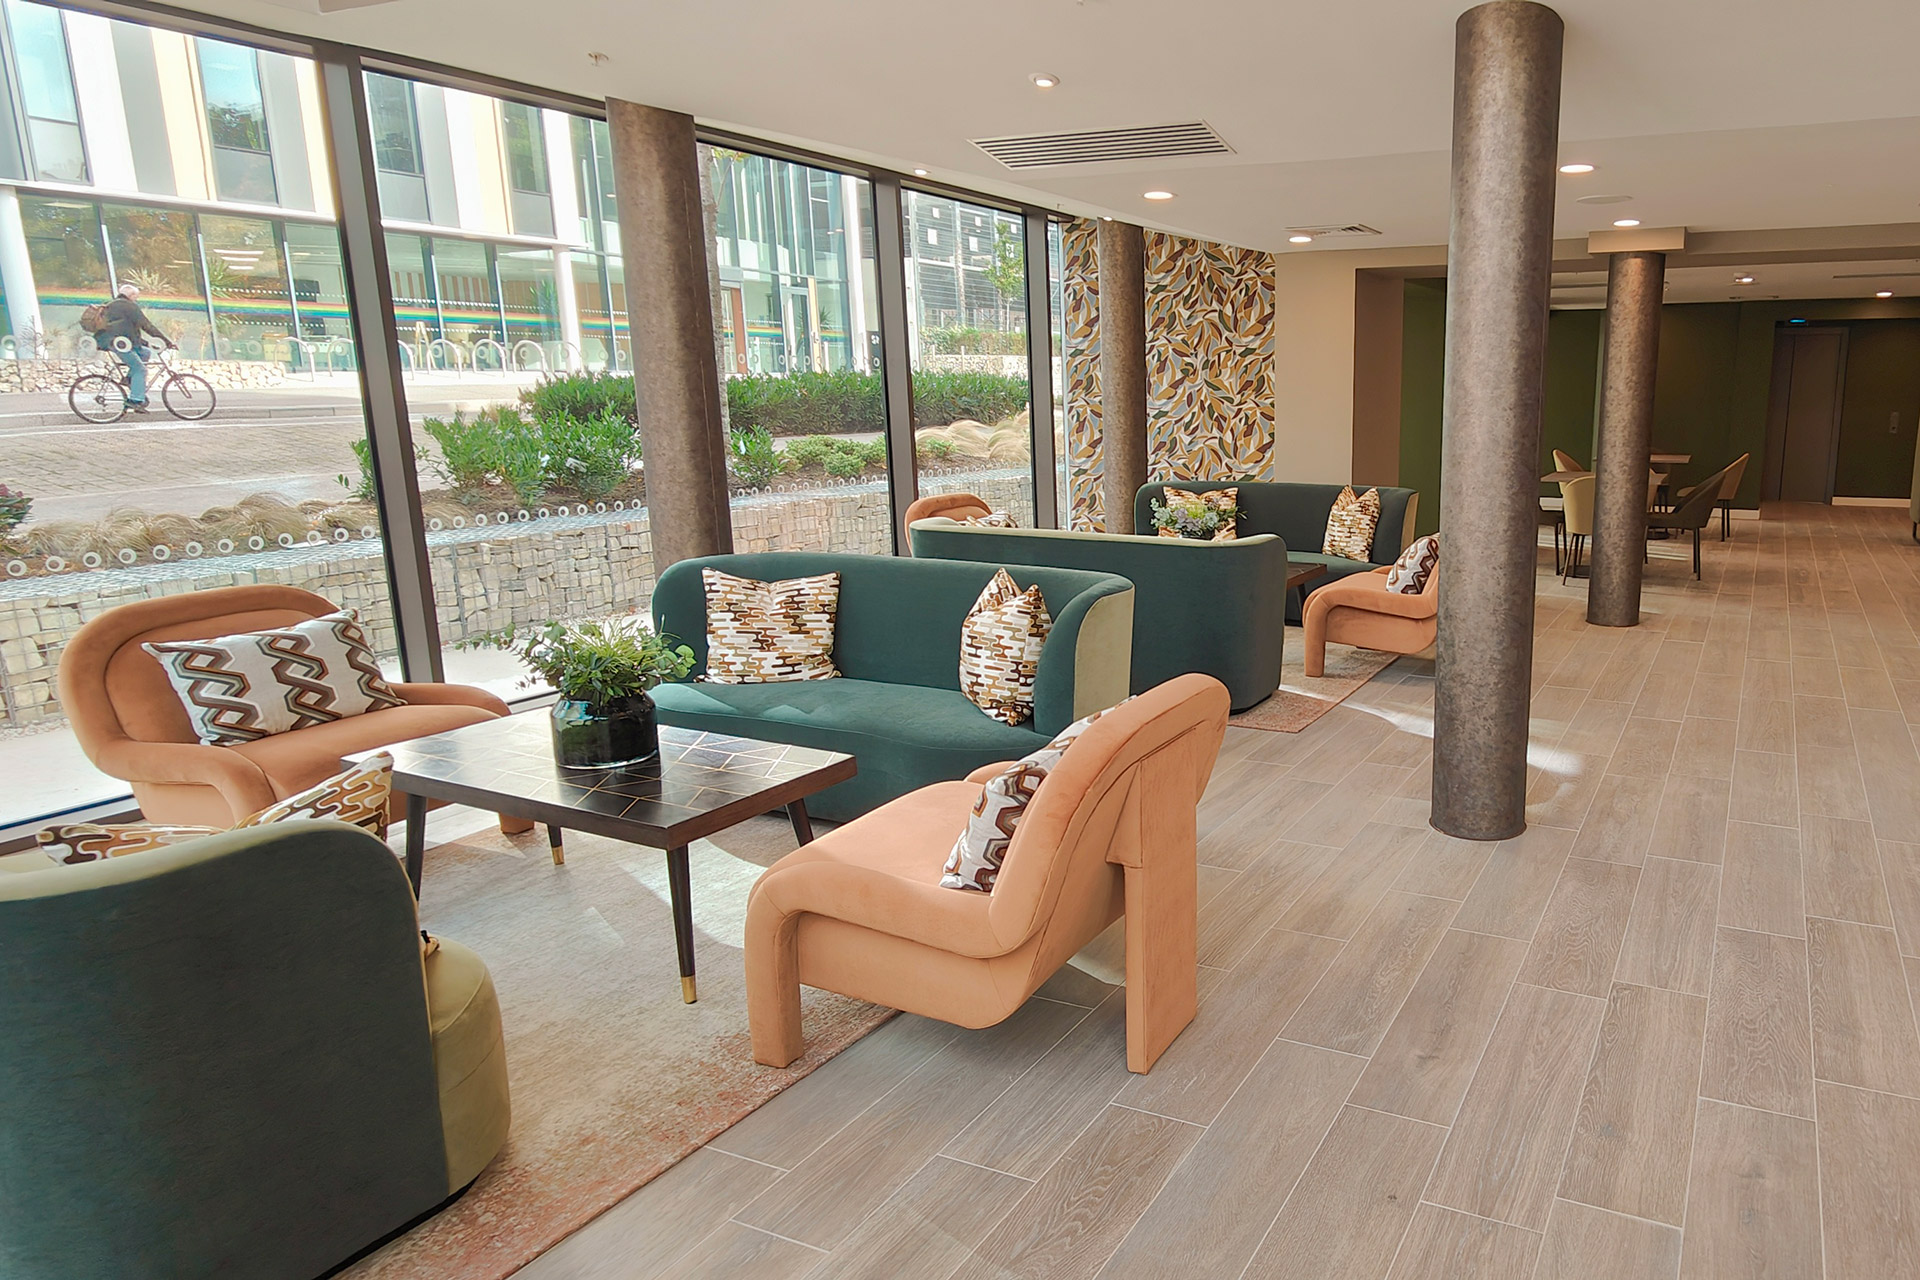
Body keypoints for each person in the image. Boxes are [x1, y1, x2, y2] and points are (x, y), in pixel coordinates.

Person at [98, 283, 172, 414]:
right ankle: (135, 400)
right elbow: (146, 325)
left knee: (145, 353)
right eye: (136, 297)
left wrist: (146, 343)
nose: (136, 299)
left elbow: (125, 329)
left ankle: (129, 379)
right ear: (131, 295)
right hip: (120, 344)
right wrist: (166, 341)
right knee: (140, 369)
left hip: (118, 342)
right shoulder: (129, 306)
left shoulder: (111, 304)